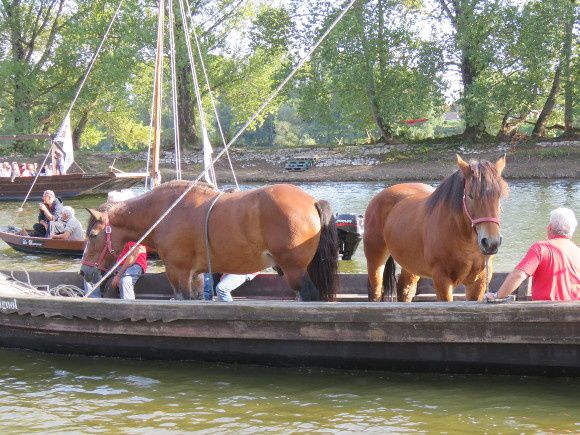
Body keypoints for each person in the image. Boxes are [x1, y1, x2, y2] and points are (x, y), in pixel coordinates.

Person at [485, 207, 579, 302]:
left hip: (544, 314)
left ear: (549, 228)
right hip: (574, 314)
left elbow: (519, 275)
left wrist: (497, 296)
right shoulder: (577, 251)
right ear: (571, 232)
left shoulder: (541, 248)